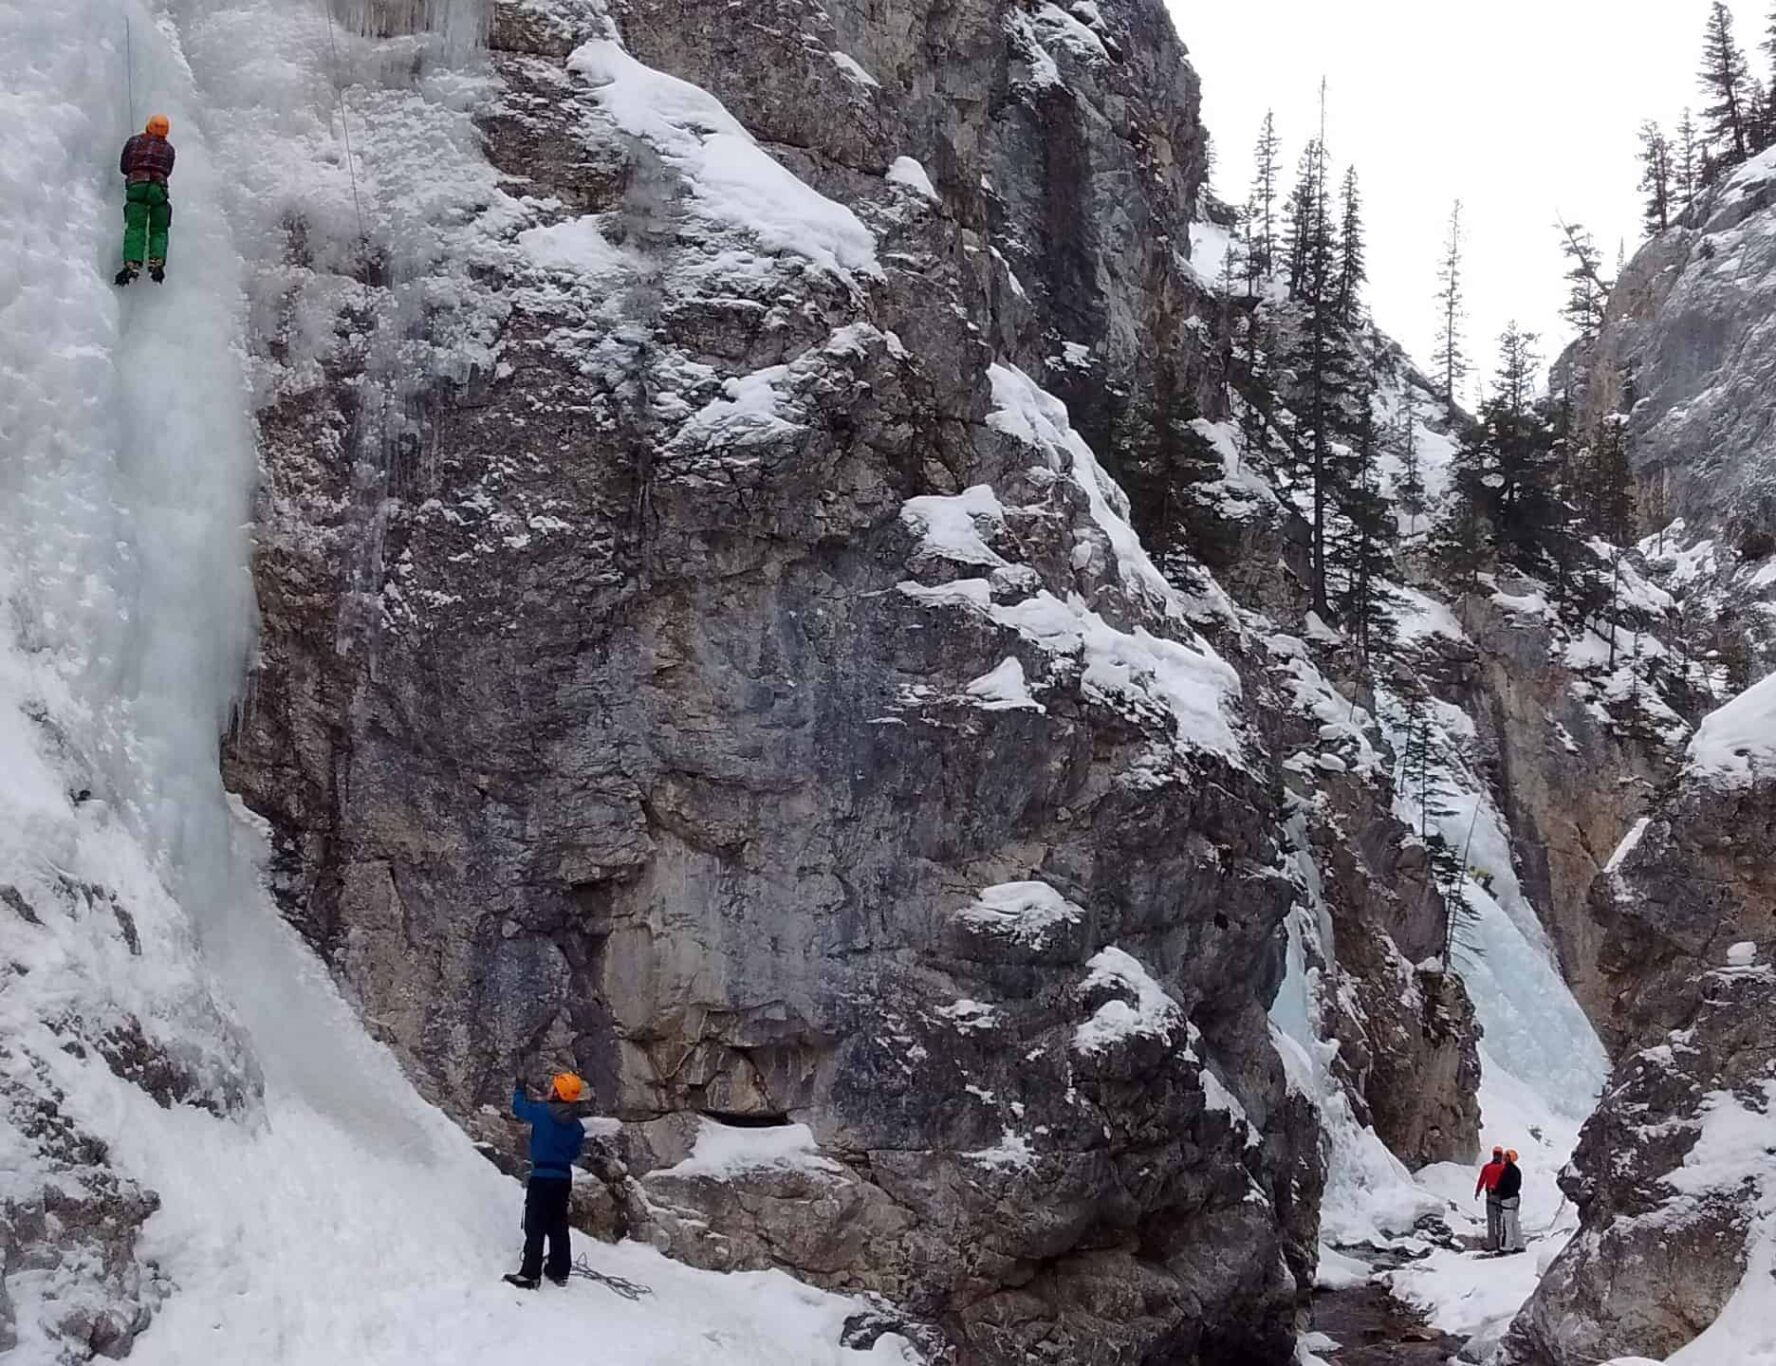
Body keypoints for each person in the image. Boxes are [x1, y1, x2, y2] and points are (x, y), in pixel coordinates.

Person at [504, 1071, 587, 1289]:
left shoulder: (543, 1113)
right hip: (563, 1179)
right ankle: (559, 1270)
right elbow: (575, 1152)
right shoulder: (576, 1125)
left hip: (542, 1177)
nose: (550, 1089)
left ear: (558, 1092)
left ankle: (530, 1274)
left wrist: (520, 1088)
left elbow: (519, 1108)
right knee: (558, 1224)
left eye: (553, 1087)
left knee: (535, 1224)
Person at [115, 115, 176, 286]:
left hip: (137, 185)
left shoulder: (135, 141)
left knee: (136, 226)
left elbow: (124, 167)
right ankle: (156, 261)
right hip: (158, 188)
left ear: (148, 127)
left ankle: (132, 263)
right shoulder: (169, 149)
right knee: (159, 228)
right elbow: (168, 170)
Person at [1475, 1145, 1506, 1252]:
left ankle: (1492, 1244)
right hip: (1501, 1197)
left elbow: (1482, 1180)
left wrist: (1477, 1191)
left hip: (1490, 1196)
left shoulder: (1487, 1167)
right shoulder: (1504, 1167)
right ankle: (1501, 1243)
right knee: (1500, 1220)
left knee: (1491, 1220)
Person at [1496, 1148, 1525, 1253]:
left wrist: (1496, 1191)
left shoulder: (1506, 1170)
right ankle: (1519, 1245)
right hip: (1515, 1198)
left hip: (1506, 1199)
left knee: (1506, 1223)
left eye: (1506, 1156)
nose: (1504, 1157)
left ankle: (1505, 1247)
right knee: (1515, 1222)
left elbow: (1501, 1184)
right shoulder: (1517, 1170)